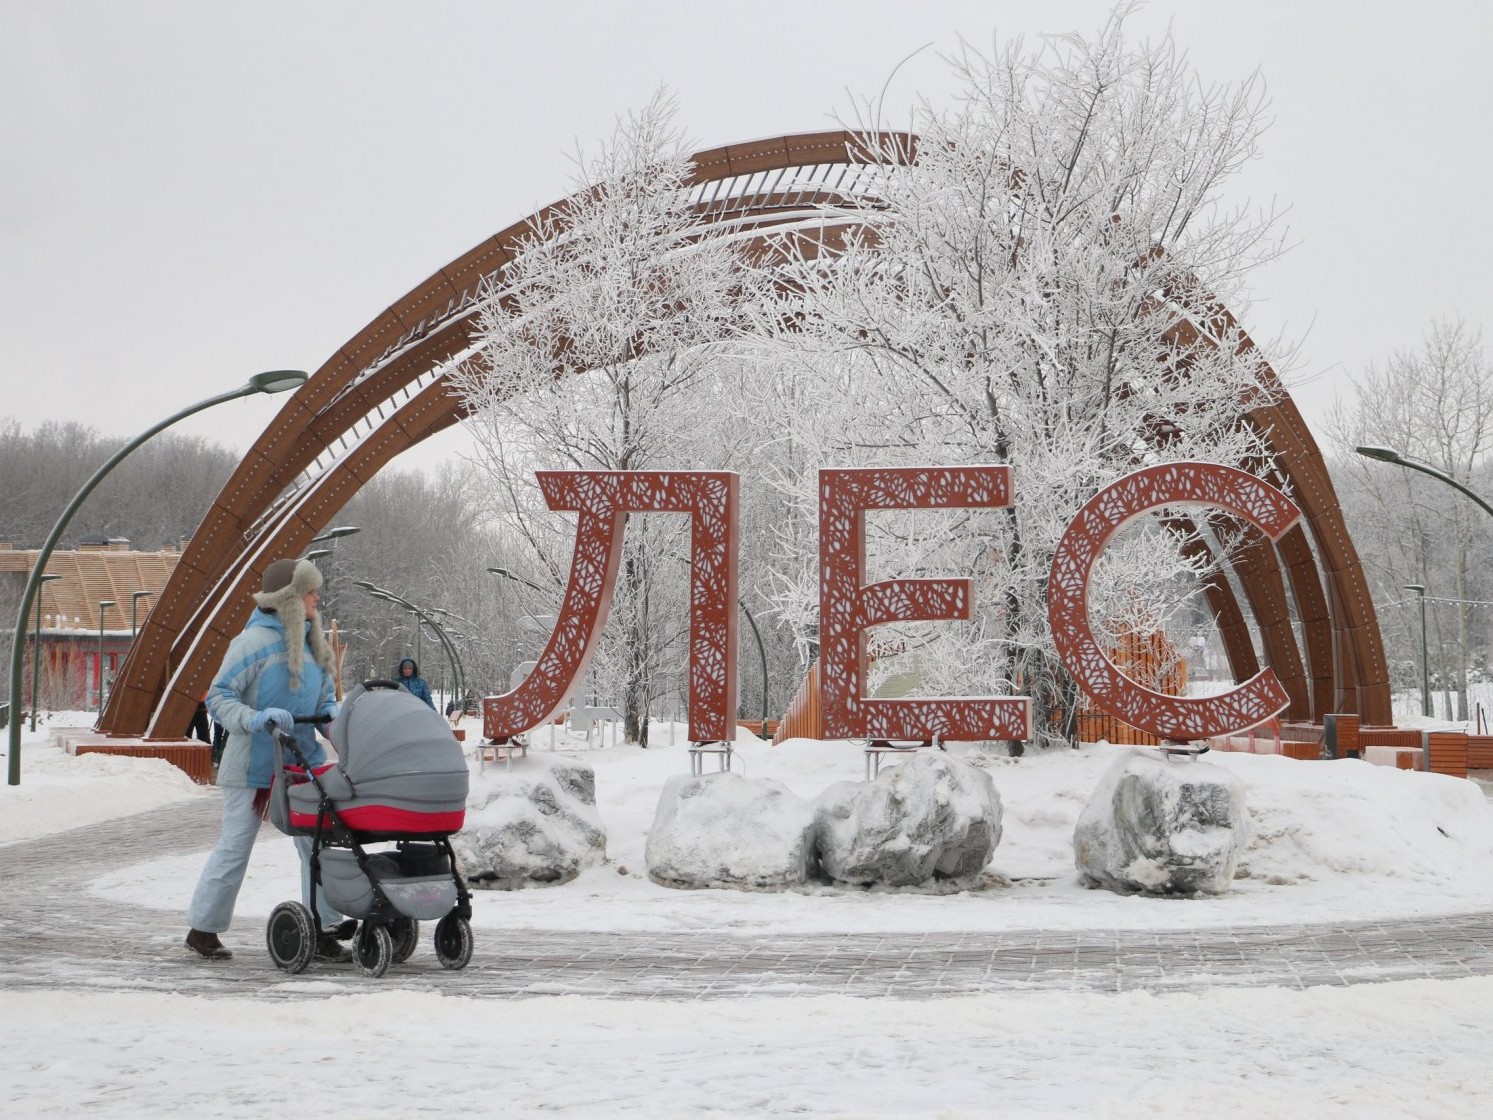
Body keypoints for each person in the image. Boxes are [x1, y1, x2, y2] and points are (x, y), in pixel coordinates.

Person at [184, 558, 349, 962]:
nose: (316, 598)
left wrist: (333, 718)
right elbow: (219, 696)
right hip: (253, 767)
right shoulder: (251, 642)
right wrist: (255, 719)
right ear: (289, 598)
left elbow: (324, 700)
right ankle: (202, 929)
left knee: (316, 846)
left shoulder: (315, 646)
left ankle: (324, 929)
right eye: (309, 591)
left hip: (302, 765)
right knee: (236, 846)